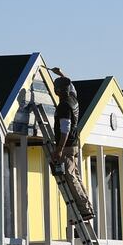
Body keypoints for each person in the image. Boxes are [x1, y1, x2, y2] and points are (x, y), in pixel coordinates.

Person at [49, 67, 95, 221]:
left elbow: (65, 129)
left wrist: (59, 150)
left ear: (58, 91)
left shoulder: (64, 106)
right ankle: (86, 206)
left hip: (67, 145)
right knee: (75, 175)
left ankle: (84, 209)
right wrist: (61, 73)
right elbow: (72, 86)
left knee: (70, 176)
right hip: (74, 144)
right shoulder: (73, 98)